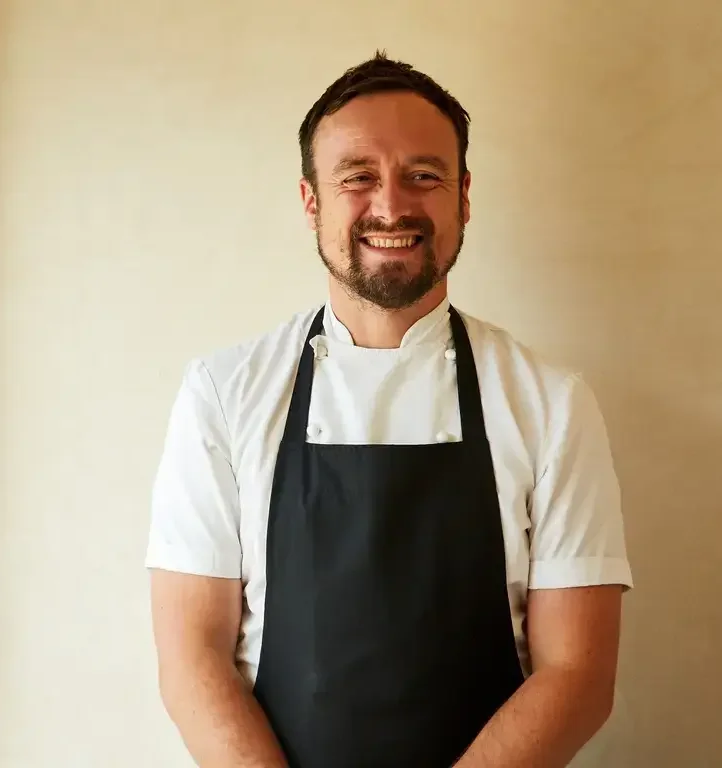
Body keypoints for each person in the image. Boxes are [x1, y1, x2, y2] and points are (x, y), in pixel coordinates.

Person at [146, 52, 633, 768]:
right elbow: (192, 660)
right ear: (312, 201)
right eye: (358, 178)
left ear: (464, 197)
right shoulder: (223, 394)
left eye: (423, 176)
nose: (392, 206)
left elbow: (578, 676)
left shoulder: (551, 404)